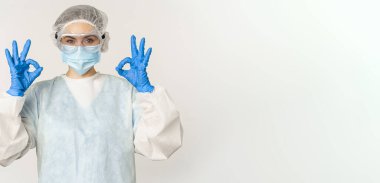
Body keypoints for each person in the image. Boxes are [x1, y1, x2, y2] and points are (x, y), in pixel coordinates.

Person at [0, 4, 183, 183]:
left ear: (102, 41)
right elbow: (6, 150)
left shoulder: (124, 92)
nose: (80, 47)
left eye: (89, 39)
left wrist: (147, 92)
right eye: (70, 40)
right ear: (59, 43)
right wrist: (13, 96)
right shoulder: (41, 95)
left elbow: (160, 145)